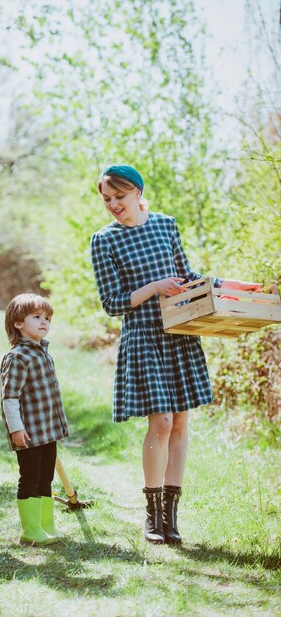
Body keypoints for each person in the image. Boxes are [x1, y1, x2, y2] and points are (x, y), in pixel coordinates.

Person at [90, 165, 261, 545]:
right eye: (107, 199)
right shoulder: (104, 240)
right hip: (144, 337)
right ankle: (152, 517)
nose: (113, 205)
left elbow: (186, 276)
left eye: (119, 196)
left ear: (137, 192)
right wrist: (153, 286)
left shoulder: (166, 225)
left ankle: (171, 516)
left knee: (181, 422)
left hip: (179, 333)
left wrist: (229, 285)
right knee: (162, 422)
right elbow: (113, 303)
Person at [0, 293, 69, 545]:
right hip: (28, 432)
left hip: (47, 430)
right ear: (18, 323)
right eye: (37, 317)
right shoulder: (17, 357)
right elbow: (9, 397)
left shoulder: (42, 353)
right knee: (30, 477)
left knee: (46, 477)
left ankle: (45, 525)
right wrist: (16, 429)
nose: (44, 322)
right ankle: (29, 531)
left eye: (47, 318)